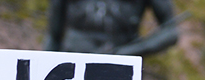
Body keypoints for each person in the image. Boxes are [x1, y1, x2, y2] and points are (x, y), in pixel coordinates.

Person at [45, 0, 178, 56]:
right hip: (73, 64)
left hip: (121, 69)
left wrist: (128, 52)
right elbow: (53, 36)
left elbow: (170, 32)